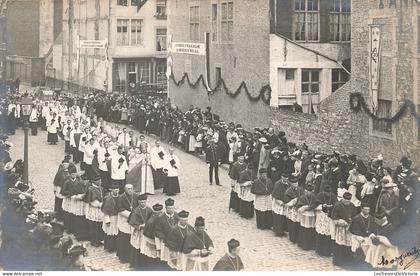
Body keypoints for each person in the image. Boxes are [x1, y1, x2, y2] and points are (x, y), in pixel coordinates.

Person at [330, 192, 358, 267]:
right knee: (340, 244)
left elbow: (355, 216)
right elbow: (334, 217)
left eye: (349, 201)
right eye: (346, 201)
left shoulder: (352, 205)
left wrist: (352, 222)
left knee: (348, 244)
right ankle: (338, 261)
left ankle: (347, 260)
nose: (347, 203)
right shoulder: (337, 205)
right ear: (343, 199)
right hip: (341, 228)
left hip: (349, 228)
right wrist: (340, 221)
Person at [128, 194, 152, 270]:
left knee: (146, 247)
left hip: (147, 232)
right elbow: (132, 222)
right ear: (138, 202)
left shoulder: (149, 209)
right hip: (138, 232)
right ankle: (136, 264)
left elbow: (152, 219)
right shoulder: (136, 211)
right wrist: (140, 226)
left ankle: (145, 263)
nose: (143, 204)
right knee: (137, 247)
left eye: (144, 202)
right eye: (141, 202)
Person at [116, 184, 139, 263]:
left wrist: (136, 214)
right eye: (128, 189)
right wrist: (130, 214)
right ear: (125, 190)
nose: (130, 190)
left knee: (133, 237)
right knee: (124, 238)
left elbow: (139, 206)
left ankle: (132, 257)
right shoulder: (121, 197)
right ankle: (123, 257)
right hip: (125, 220)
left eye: (131, 188)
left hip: (134, 220)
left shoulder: (136, 196)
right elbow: (119, 208)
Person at [154, 198, 179, 270]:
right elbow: (157, 230)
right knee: (166, 257)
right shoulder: (161, 218)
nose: (171, 210)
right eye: (169, 208)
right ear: (166, 208)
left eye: (172, 208)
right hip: (165, 241)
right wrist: (164, 237)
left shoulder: (177, 216)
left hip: (176, 241)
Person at [314, 185, 337, 257]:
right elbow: (315, 206)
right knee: (321, 232)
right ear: (324, 191)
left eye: (329, 193)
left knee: (328, 234)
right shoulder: (320, 195)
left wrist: (331, 206)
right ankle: (319, 251)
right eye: (326, 193)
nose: (328, 194)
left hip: (329, 217)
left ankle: (327, 251)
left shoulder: (333, 196)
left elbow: (336, 205)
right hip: (321, 216)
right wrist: (322, 206)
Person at [141, 203, 164, 270]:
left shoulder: (152, 215)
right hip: (151, 238)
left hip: (150, 237)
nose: (162, 213)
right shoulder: (154, 220)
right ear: (157, 213)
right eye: (161, 212)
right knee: (154, 255)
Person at [84, 176, 104, 247]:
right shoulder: (90, 189)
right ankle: (93, 241)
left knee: (99, 225)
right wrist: (98, 204)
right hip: (93, 209)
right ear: (95, 181)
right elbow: (89, 201)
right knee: (93, 226)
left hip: (100, 210)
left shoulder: (101, 188)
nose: (101, 182)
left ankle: (98, 239)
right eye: (99, 180)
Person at [296, 184, 317, 250]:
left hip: (312, 215)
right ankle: (303, 244)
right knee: (304, 229)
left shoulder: (314, 197)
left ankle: (311, 245)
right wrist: (305, 207)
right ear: (305, 191)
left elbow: (315, 204)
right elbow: (299, 206)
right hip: (304, 215)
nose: (309, 193)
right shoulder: (302, 197)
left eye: (310, 191)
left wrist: (311, 207)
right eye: (307, 191)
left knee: (311, 229)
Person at [284, 175, 304, 244]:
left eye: (296, 183)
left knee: (298, 223)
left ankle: (298, 238)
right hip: (292, 209)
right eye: (294, 183)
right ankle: (292, 238)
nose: (296, 185)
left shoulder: (301, 189)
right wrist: (293, 201)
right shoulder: (288, 191)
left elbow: (303, 197)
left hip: (298, 209)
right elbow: (286, 201)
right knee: (292, 224)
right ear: (291, 184)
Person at [101, 184, 120, 252]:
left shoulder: (120, 197)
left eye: (117, 190)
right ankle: (110, 247)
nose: (116, 191)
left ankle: (116, 247)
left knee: (116, 232)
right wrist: (107, 221)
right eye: (115, 190)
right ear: (112, 190)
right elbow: (105, 211)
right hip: (111, 217)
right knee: (110, 232)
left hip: (117, 217)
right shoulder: (108, 198)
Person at [53, 155, 71, 222]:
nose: (65, 166)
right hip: (59, 189)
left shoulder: (69, 172)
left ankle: (63, 217)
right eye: (64, 164)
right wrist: (54, 189)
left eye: (66, 164)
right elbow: (55, 181)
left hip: (65, 190)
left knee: (64, 204)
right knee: (58, 203)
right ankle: (57, 216)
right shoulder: (60, 171)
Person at [271, 172, 290, 237]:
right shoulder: (278, 184)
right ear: (282, 177)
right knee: (278, 217)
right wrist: (280, 202)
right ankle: (278, 231)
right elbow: (275, 195)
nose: (286, 179)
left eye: (287, 178)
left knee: (283, 217)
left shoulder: (288, 183)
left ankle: (283, 230)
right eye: (285, 177)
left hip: (285, 202)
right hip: (278, 201)